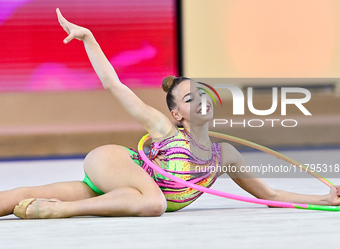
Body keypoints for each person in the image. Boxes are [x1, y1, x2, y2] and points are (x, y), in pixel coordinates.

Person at [1, 8, 340, 219]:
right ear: (178, 115)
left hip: (123, 195)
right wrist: (89, 38)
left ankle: (50, 204)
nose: (202, 100)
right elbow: (114, 84)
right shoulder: (163, 128)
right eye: (191, 98)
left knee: (23, 195)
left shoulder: (226, 156)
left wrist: (325, 199)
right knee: (155, 203)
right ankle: (58, 211)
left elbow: (272, 196)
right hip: (116, 165)